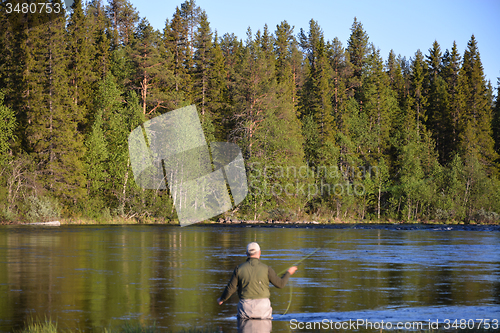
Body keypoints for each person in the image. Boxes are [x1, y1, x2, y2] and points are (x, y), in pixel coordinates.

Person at [217, 242, 297, 320]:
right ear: (259, 253)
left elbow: (231, 288)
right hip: (263, 309)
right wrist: (288, 273)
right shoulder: (267, 269)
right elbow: (281, 284)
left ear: (247, 253)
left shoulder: (239, 269)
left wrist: (222, 299)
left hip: (245, 308)